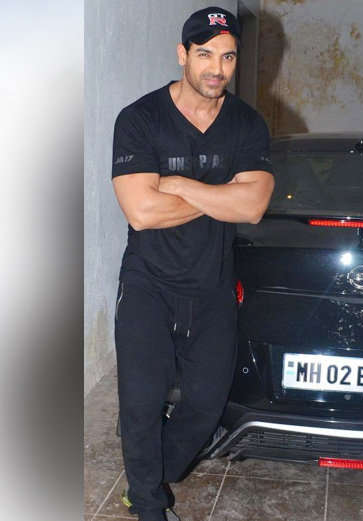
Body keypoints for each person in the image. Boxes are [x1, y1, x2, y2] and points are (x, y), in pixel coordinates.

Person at [110, 7, 274, 521]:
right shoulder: (140, 119)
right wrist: (222, 194)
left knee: (205, 405)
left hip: (212, 283)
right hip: (148, 282)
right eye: (205, 54)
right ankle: (148, 504)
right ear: (183, 54)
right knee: (141, 401)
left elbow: (253, 207)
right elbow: (142, 212)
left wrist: (180, 185)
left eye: (227, 57)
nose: (216, 69)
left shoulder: (246, 124)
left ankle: (149, 471)